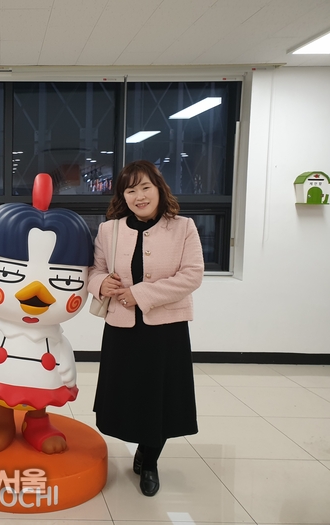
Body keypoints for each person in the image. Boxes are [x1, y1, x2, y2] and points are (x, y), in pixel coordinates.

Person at [87, 160, 204, 497]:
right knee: (129, 394)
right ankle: (140, 444)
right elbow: (94, 270)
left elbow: (192, 275)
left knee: (160, 398)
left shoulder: (183, 227)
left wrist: (139, 294)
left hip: (166, 330)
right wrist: (100, 284)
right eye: (130, 190)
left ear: (159, 189)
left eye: (145, 188)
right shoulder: (109, 230)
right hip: (122, 329)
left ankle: (149, 459)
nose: (139, 196)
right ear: (122, 196)